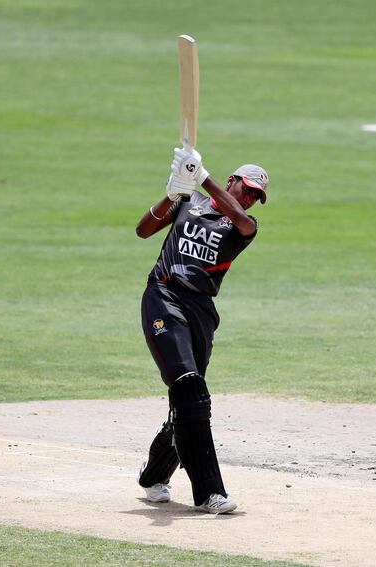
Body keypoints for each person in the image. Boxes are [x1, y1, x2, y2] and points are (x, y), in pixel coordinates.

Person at [135, 146, 269, 514]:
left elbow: (238, 216)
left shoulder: (244, 226)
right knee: (189, 388)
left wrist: (201, 175)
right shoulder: (188, 201)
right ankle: (210, 493)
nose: (249, 198)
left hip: (200, 311)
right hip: (163, 295)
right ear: (233, 181)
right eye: (246, 188)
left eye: (256, 196)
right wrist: (174, 191)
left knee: (188, 403)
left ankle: (153, 476)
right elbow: (142, 230)